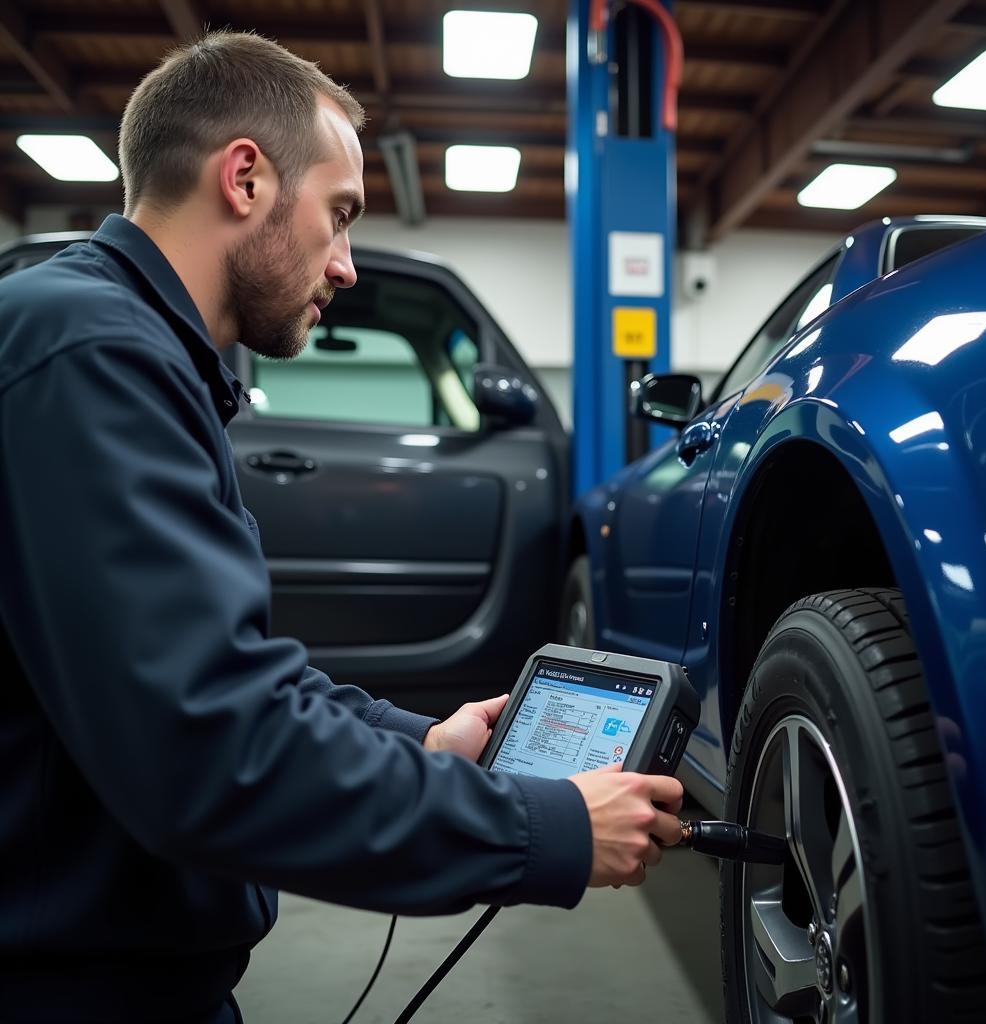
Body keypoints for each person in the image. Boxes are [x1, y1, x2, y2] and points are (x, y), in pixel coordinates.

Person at [0, 31, 685, 1023]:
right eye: (340, 215)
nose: (347, 264)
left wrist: (425, 745)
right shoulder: (91, 355)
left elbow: (237, 680)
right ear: (243, 177)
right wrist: (546, 824)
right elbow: (214, 751)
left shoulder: (116, 346)